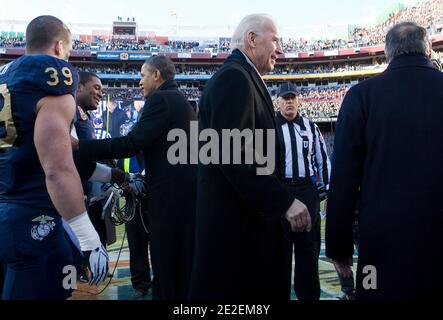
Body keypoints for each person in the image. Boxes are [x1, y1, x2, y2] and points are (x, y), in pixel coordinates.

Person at [189, 14, 311, 300]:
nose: (279, 50)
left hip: (244, 231)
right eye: (275, 39)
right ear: (252, 39)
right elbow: (234, 155)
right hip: (237, 238)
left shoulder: (243, 78)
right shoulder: (235, 78)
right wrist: (285, 201)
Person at [326, 22, 443, 299]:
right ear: (427, 49)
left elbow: (343, 178)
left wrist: (339, 248)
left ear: (388, 54)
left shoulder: (361, 96)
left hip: (383, 243)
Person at [0, 15, 108, 300]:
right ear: (59, 47)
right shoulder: (52, 73)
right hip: (33, 214)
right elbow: (57, 168)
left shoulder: (6, 74)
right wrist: (88, 237)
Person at [73, 56, 197, 300]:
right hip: (182, 196)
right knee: (177, 266)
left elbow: (132, 143)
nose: (139, 82)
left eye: (142, 75)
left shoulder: (161, 99)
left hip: (170, 199)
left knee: (167, 266)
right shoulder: (178, 100)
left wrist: (80, 146)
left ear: (156, 75)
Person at [275, 82, 331, 300]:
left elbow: (322, 160)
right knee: (280, 256)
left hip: (307, 192)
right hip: (281, 192)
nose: (289, 101)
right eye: (285, 98)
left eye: (292, 97)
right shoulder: (269, 127)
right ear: (278, 102)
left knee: (308, 254)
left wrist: (327, 191)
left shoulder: (311, 126)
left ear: (299, 100)